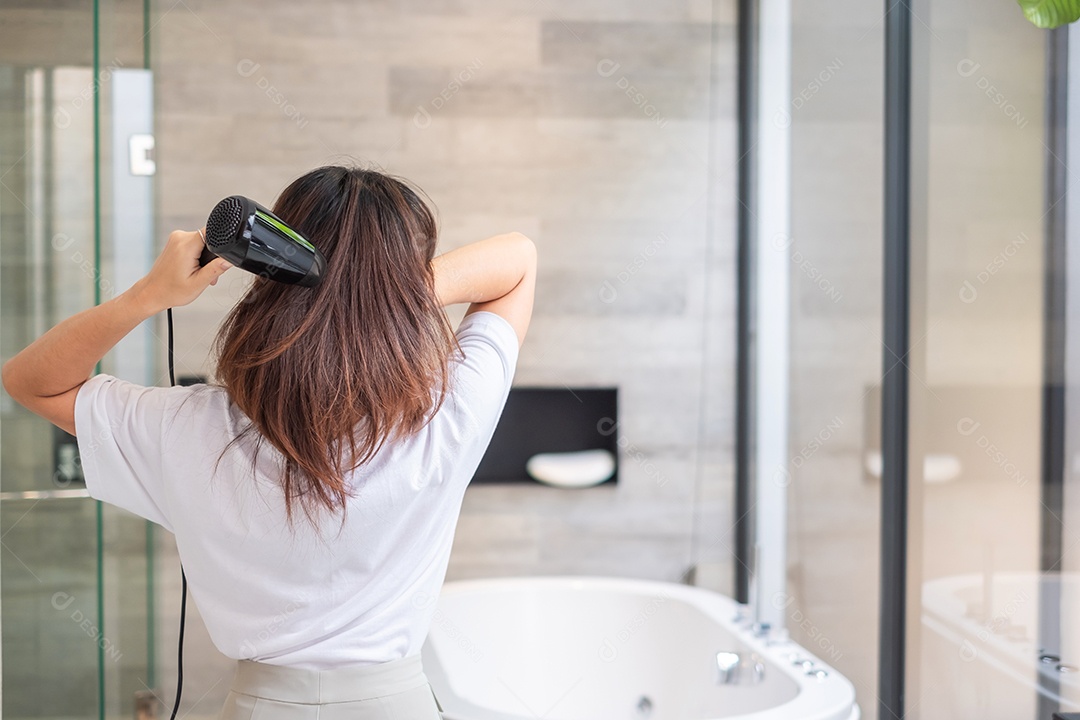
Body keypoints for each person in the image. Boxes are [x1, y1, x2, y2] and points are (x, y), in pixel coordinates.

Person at [1, 166, 536, 719]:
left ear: (269, 268)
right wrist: (379, 292)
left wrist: (149, 294)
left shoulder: (187, 431)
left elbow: (29, 381)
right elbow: (517, 259)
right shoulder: (444, 417)